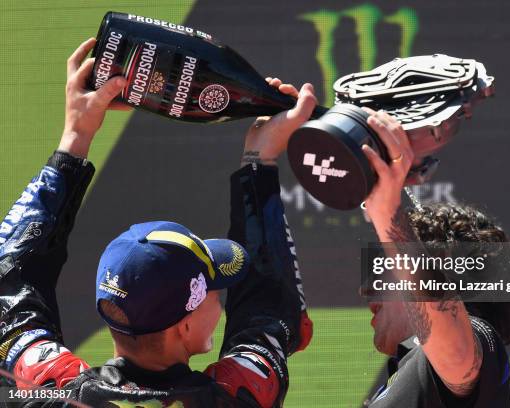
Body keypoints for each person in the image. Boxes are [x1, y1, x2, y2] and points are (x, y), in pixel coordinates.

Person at [0, 38, 315, 407]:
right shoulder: (235, 397)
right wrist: (258, 160)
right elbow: (269, 313)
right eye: (215, 287)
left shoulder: (49, 395)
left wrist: (75, 136)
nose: (221, 299)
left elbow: (9, 281)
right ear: (184, 327)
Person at [359, 109, 510, 407]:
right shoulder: (411, 374)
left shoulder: (479, 347)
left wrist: (388, 213)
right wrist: (258, 161)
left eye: (385, 269)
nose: (366, 288)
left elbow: (457, 354)